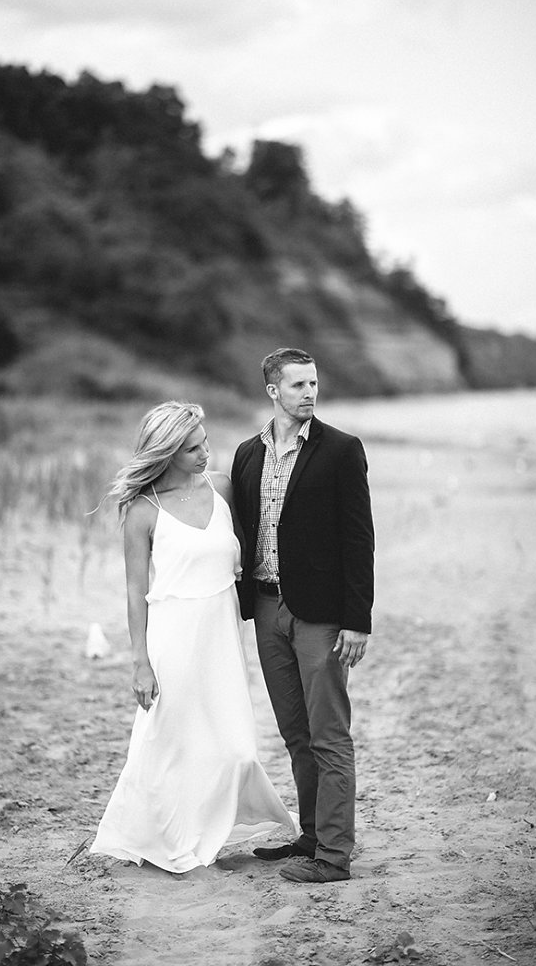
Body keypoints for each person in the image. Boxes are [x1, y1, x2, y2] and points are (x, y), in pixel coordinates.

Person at [90, 401, 296, 874]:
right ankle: (161, 837)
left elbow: (260, 541)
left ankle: (210, 828)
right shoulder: (143, 511)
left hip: (221, 636)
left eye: (204, 442)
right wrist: (139, 661)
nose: (205, 453)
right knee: (169, 743)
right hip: (173, 637)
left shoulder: (221, 487)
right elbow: (134, 591)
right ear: (165, 452)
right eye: (191, 448)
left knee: (235, 748)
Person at [231, 348, 374, 884]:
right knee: (295, 734)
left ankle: (334, 857)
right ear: (273, 390)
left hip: (320, 615)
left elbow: (359, 540)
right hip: (266, 609)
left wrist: (357, 619)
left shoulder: (341, 450)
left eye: (313, 384)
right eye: (297, 386)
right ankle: (311, 837)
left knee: (329, 735)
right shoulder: (248, 454)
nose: (309, 393)